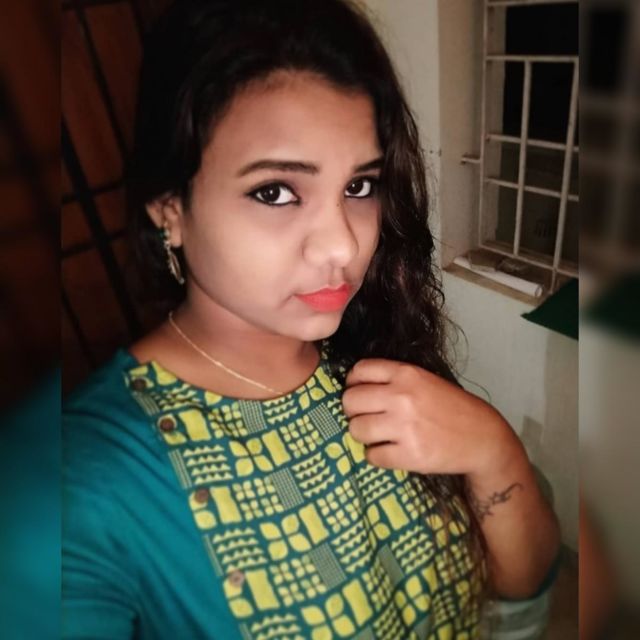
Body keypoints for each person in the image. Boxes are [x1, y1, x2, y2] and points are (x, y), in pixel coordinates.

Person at [62, 0, 561, 638]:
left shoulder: (375, 341)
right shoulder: (89, 478)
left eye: (359, 187)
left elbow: (522, 594)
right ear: (170, 209)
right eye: (275, 192)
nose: (343, 246)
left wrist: (494, 451)